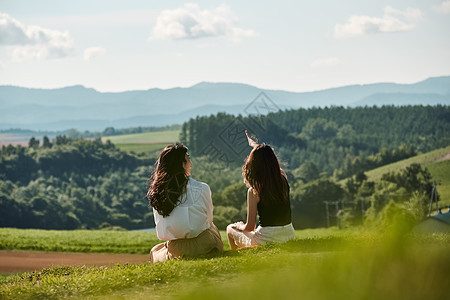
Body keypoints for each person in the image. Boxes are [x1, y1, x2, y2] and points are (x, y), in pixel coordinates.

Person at [147, 143, 223, 263]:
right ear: (182, 164)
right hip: (204, 244)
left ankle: (168, 256)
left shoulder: (157, 193)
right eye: (188, 159)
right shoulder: (202, 188)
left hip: (176, 247)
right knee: (212, 227)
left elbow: (162, 232)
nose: (191, 163)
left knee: (156, 250)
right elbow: (209, 220)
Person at [226, 130, 295, 250]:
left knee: (230, 228)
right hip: (289, 235)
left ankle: (237, 255)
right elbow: (267, 159)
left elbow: (249, 227)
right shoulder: (282, 178)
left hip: (266, 239)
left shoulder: (254, 191)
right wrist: (254, 145)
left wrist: (240, 226)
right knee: (251, 231)